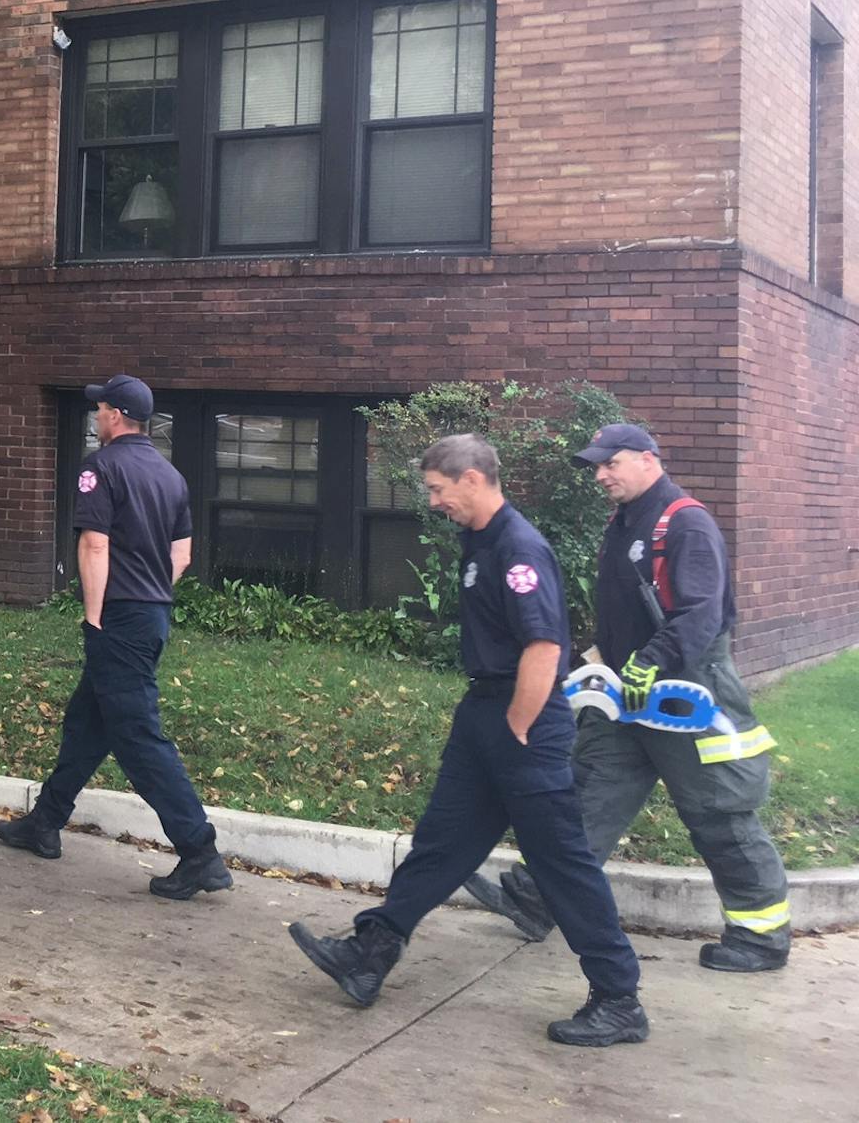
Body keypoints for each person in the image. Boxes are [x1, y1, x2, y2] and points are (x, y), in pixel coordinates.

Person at [289, 434, 649, 1047]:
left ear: (474, 480)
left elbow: (543, 647)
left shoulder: (517, 548)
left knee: (561, 862)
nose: (433, 501)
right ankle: (370, 953)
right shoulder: (480, 541)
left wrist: (519, 727)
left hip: (522, 718)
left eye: (437, 489)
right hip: (485, 710)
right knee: (442, 841)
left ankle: (619, 999)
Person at [465, 422, 790, 972]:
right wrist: (593, 664)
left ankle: (761, 936)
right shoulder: (624, 524)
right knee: (587, 794)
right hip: (625, 696)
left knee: (719, 813)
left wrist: (651, 660)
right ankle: (538, 898)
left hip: (686, 697)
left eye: (610, 463)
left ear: (646, 459)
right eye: (597, 465)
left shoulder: (684, 523)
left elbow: (702, 613)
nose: (600, 475)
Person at [0, 374, 232, 901]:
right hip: (151, 616)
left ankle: (200, 851)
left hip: (116, 620)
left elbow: (94, 546)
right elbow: (182, 556)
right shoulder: (170, 476)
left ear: (116, 416)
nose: (96, 418)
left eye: (100, 410)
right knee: (88, 722)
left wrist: (94, 618)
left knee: (138, 736)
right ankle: (45, 822)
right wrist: (150, 594)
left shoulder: (100, 469)